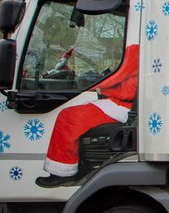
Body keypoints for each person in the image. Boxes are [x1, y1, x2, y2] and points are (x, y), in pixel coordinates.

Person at [35, 44, 140, 188]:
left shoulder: (135, 51)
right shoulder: (136, 49)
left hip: (121, 105)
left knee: (68, 117)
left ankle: (64, 172)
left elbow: (116, 76)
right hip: (120, 102)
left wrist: (91, 82)